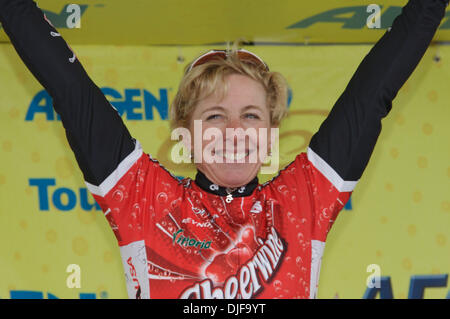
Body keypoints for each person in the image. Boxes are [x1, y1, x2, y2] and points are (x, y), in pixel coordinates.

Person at [0, 0, 447, 299]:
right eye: (215, 116)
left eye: (251, 115)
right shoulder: (142, 199)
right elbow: (69, 88)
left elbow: (372, 95)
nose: (234, 130)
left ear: (272, 134)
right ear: (186, 136)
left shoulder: (302, 201)